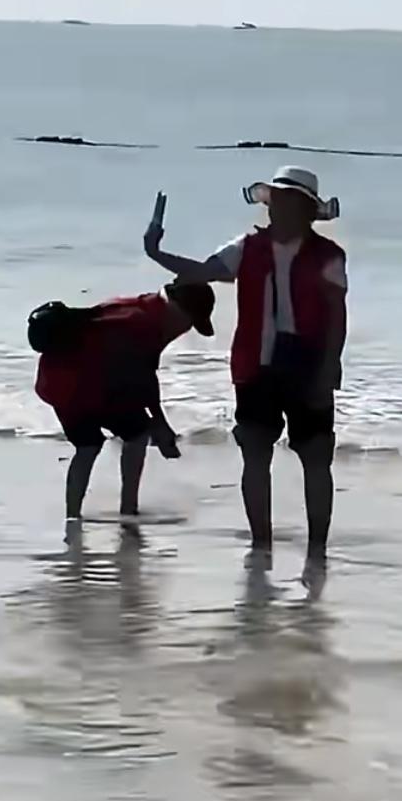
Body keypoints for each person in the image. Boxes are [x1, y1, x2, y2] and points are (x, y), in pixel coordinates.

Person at [143, 165, 347, 558]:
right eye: (272, 200)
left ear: (306, 209)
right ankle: (261, 548)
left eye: (283, 201)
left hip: (309, 368)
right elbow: (203, 272)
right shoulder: (247, 247)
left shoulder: (329, 255)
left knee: (316, 458)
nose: (273, 208)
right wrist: (156, 253)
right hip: (255, 367)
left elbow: (337, 316)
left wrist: (329, 368)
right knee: (255, 456)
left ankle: (317, 549)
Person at [31, 279, 215, 522]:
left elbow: (138, 377)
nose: (185, 330)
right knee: (135, 435)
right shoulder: (144, 323)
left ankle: (73, 517)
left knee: (87, 447)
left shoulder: (138, 307)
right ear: (178, 308)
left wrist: (158, 423)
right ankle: (128, 509)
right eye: (189, 322)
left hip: (57, 380)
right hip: (83, 383)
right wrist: (159, 425)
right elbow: (143, 378)